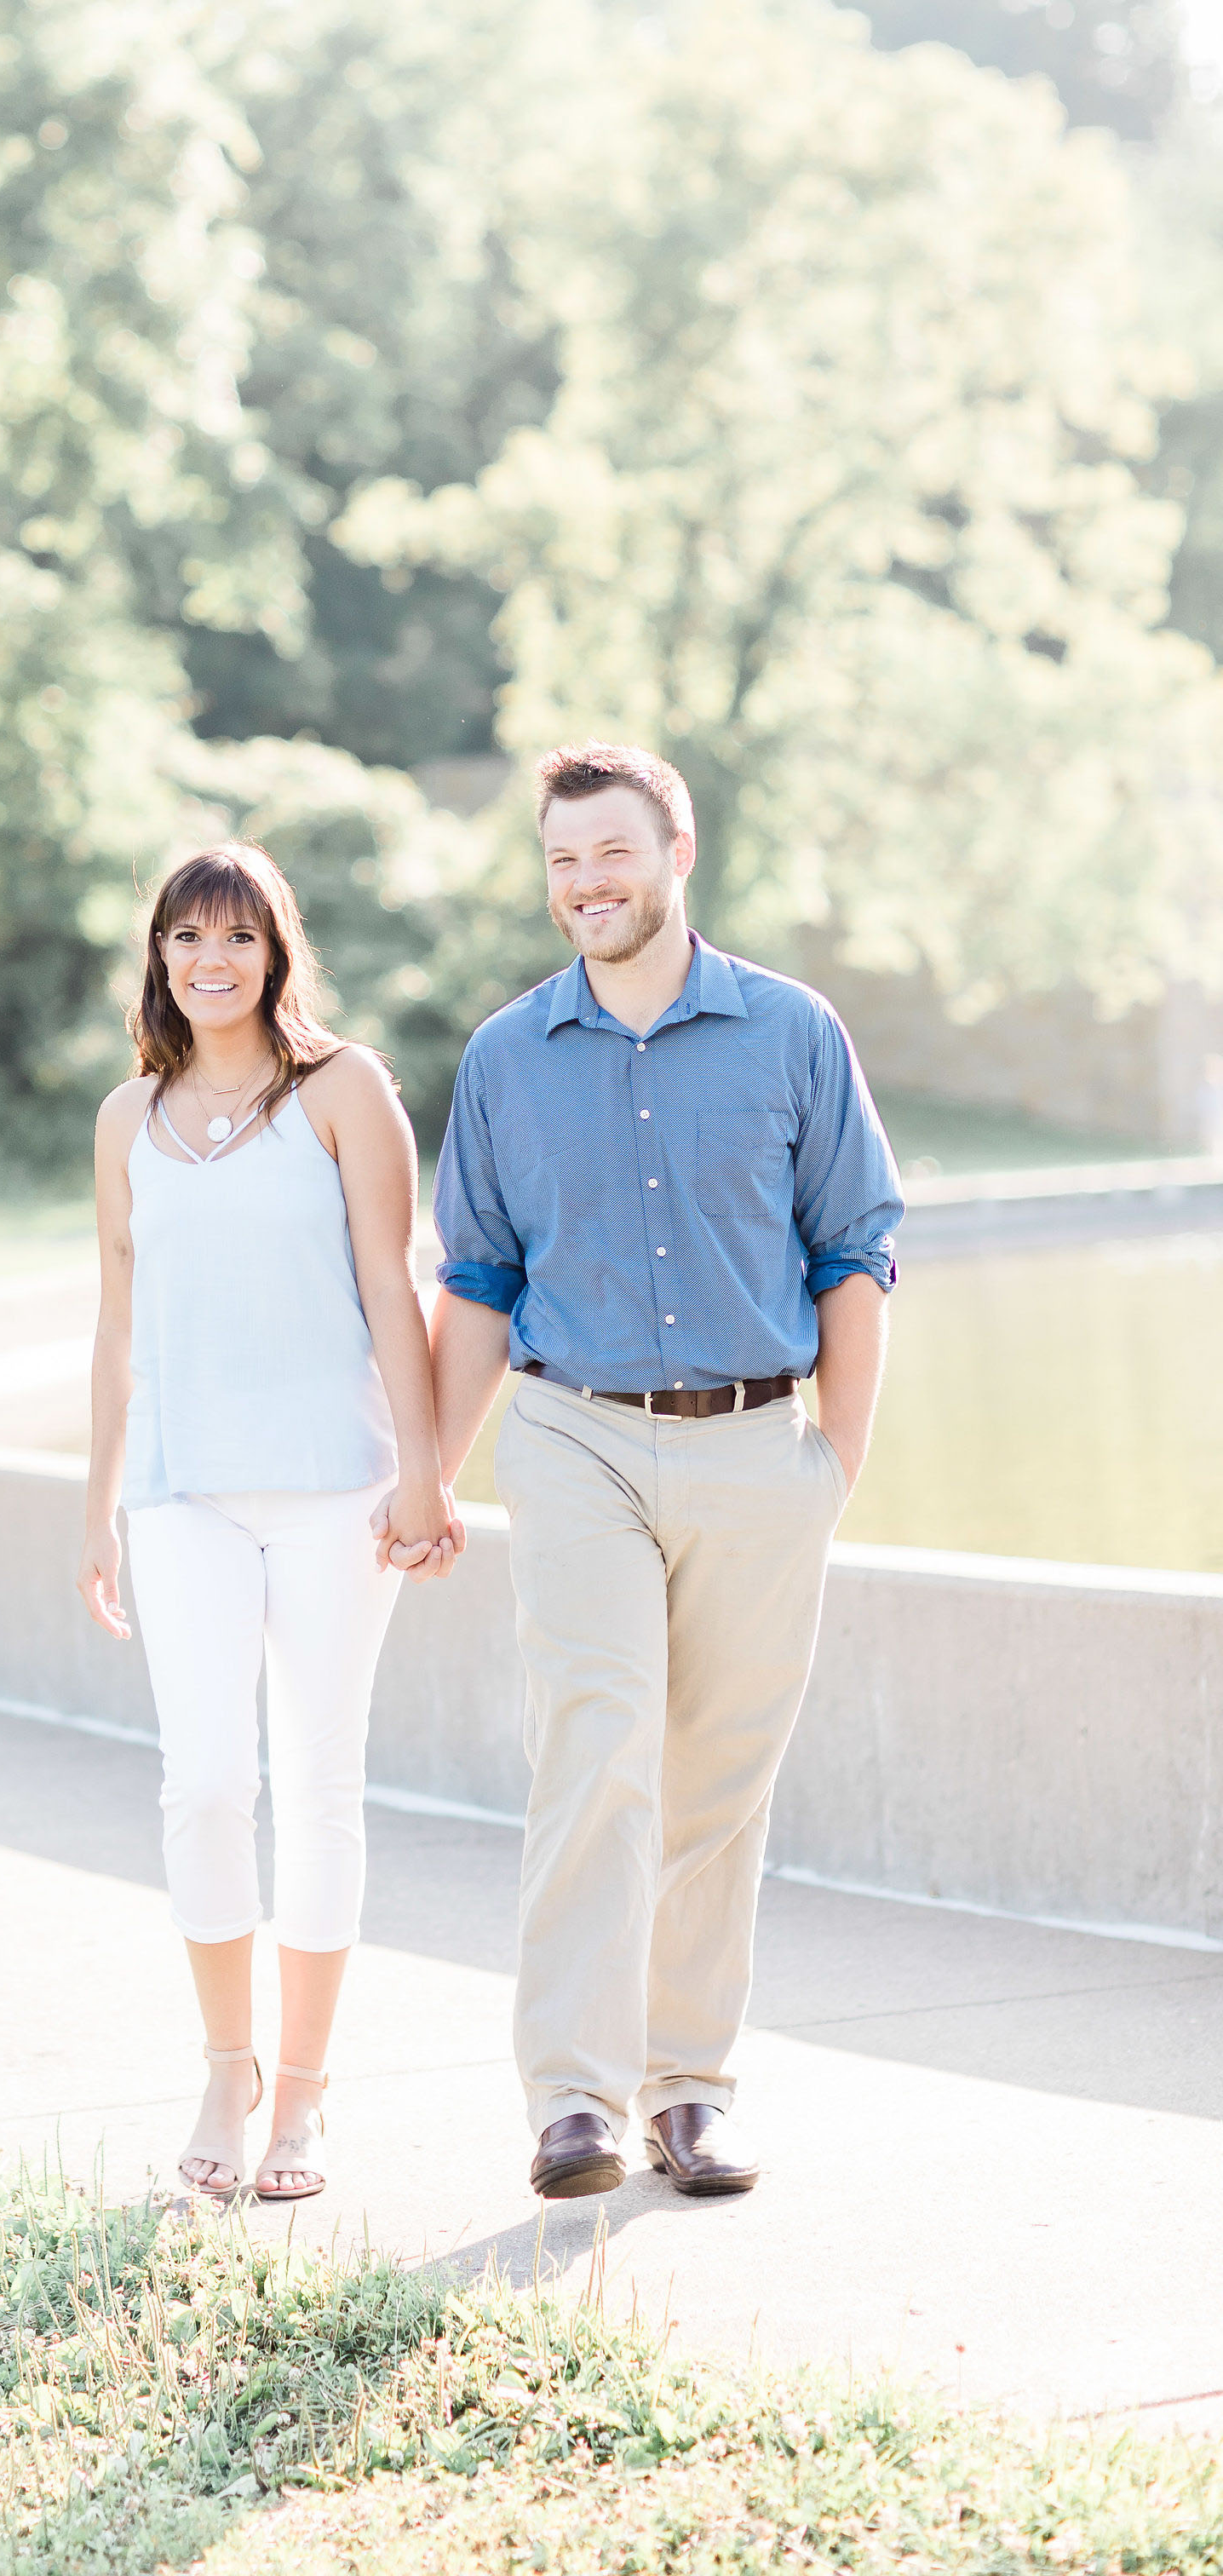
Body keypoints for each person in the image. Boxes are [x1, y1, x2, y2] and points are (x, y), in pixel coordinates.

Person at [426, 740, 903, 2202]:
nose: (586, 883)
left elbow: (854, 1250)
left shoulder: (792, 1031)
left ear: (676, 854)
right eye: (564, 860)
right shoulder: (508, 1057)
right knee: (597, 1743)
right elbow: (480, 1280)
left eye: (612, 854)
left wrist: (839, 1463)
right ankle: (574, 2095)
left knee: (717, 1779)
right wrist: (428, 1477)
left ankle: (689, 2090)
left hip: (762, 1443)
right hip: (571, 1438)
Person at [78, 841, 462, 2202]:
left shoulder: (343, 1092)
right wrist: (99, 1507)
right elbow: (121, 1323)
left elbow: (393, 1286)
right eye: (186, 937)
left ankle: (303, 2099)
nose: (210, 962)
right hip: (181, 1496)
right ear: (160, 958)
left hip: (336, 1491)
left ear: (276, 950)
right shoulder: (129, 1119)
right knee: (203, 1785)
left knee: (317, 1784)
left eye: (237, 937)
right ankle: (224, 2069)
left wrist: (427, 1472)